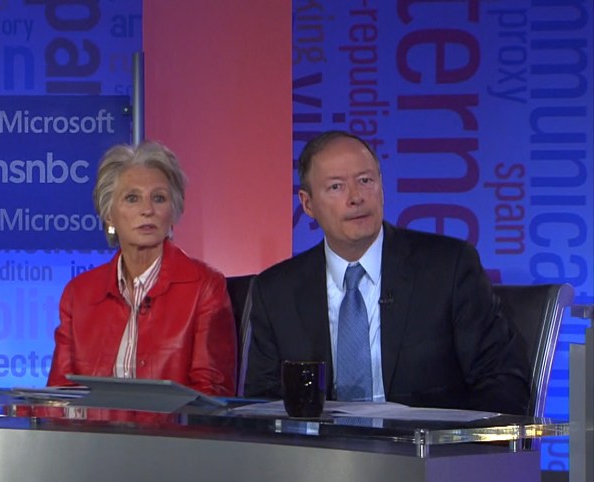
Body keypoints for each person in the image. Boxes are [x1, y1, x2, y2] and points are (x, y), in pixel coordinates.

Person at [244, 130, 530, 414]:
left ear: (381, 186)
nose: (356, 197)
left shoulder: (448, 268)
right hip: (318, 444)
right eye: (336, 187)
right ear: (308, 204)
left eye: (365, 180)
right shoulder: (276, 291)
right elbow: (262, 404)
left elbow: (503, 380)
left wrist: (455, 438)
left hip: (425, 442)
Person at [47, 141, 236, 396]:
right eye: (132, 198)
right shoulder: (78, 294)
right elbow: (60, 395)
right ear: (109, 214)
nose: (147, 210)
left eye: (159, 198)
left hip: (175, 424)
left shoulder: (205, 287)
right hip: (94, 424)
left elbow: (211, 393)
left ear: (173, 212)